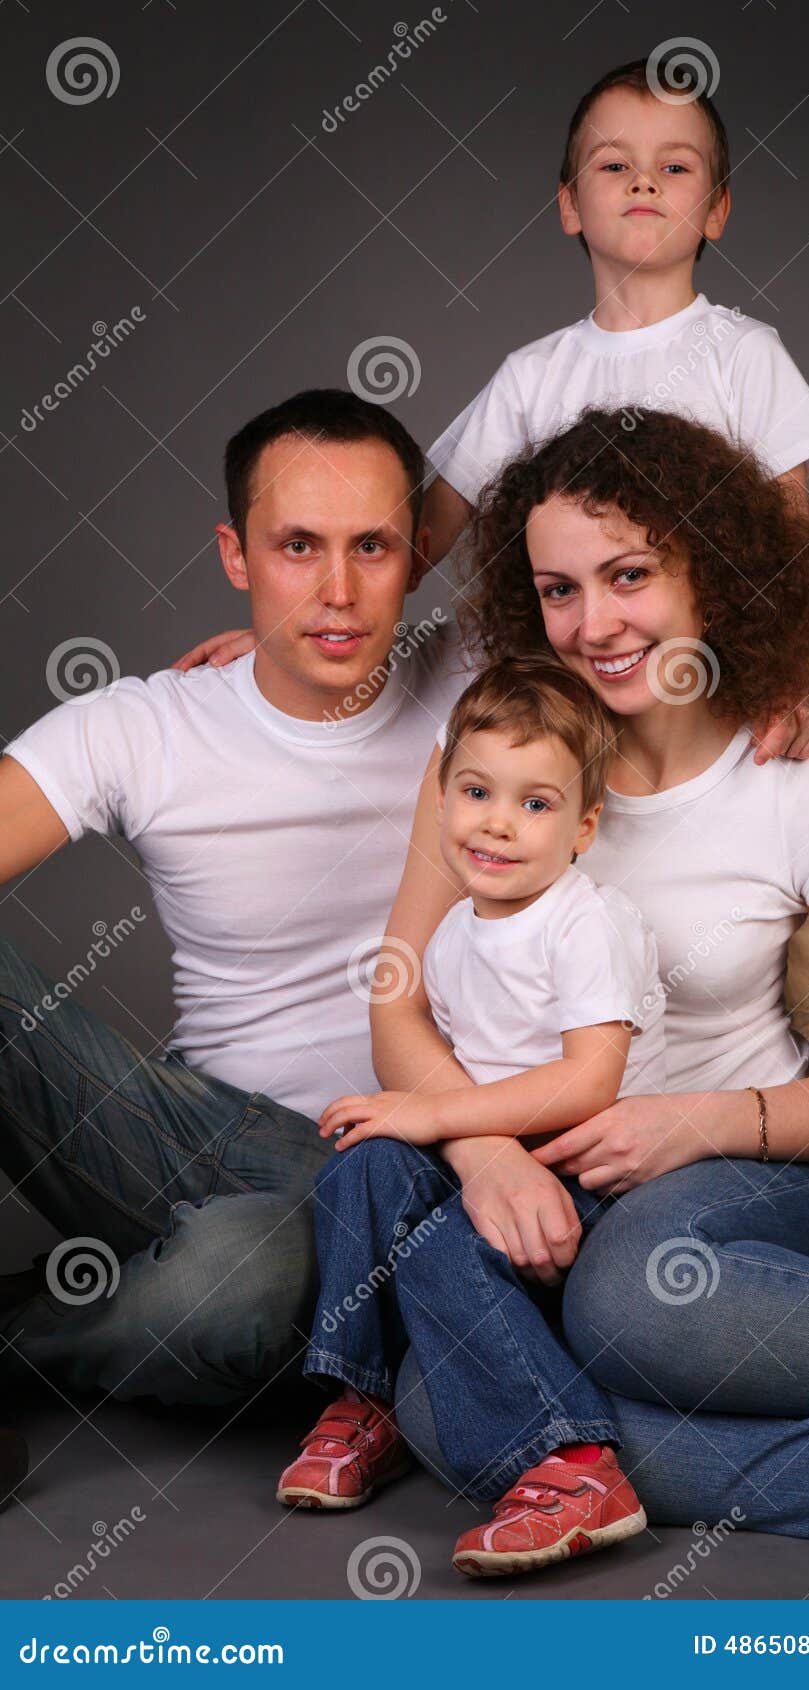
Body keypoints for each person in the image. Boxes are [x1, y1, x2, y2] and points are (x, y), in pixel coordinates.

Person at [368, 405, 809, 1565]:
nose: (593, 623)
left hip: (753, 1184)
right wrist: (481, 1148)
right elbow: (396, 997)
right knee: (448, 1410)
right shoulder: (495, 769)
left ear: (711, 571)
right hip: (548, 1192)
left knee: (631, 1303)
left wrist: (689, 1124)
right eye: (556, 590)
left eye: (628, 573)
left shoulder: (801, 789)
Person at [174, 57, 809, 1063]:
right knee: (539, 946)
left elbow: (784, 546)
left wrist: (792, 685)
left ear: (716, 210)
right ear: (567, 205)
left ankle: (761, 1099)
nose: (643, 183)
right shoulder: (532, 376)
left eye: (674, 167)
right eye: (612, 165)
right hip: (570, 719)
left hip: (697, 709)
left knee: (750, 921)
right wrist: (297, 636)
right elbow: (409, 542)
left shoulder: (741, 355)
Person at [0, 389, 471, 1445]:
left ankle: (27, 1332)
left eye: (373, 547)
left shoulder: (483, 689)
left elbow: (598, 500)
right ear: (235, 554)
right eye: (297, 547)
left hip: (382, 1172)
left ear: (421, 550)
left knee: (235, 1296)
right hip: (176, 1133)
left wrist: (793, 698)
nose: (339, 590)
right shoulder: (149, 722)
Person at [275, 658, 666, 1578]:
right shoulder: (452, 933)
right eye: (476, 791)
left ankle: (571, 1464)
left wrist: (439, 1113)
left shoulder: (585, 922)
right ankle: (364, 1401)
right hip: (495, 1146)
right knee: (363, 1163)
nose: (496, 821)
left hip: (585, 1160)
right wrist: (426, 1127)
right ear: (442, 796)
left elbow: (588, 1084)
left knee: (445, 1246)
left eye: (535, 805)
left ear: (583, 828)